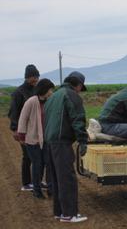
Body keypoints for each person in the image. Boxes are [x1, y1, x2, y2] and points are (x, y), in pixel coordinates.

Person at [44, 71, 88, 223]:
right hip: (62, 142)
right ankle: (70, 214)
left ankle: (59, 212)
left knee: (56, 178)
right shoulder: (71, 95)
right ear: (79, 85)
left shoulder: (53, 96)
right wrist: (83, 140)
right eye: (80, 88)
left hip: (49, 142)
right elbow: (78, 119)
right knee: (67, 178)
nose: (79, 92)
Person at [17, 78, 55, 199]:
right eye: (50, 89)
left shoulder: (49, 101)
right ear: (45, 89)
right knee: (37, 164)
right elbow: (23, 118)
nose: (51, 92)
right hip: (32, 140)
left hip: (46, 139)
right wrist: (21, 135)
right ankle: (37, 190)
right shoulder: (31, 101)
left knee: (48, 163)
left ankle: (51, 189)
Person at [8, 64, 40, 191]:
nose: (35, 79)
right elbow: (13, 112)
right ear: (27, 77)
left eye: (37, 76)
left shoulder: (36, 90)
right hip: (23, 130)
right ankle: (26, 183)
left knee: (37, 155)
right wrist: (15, 129)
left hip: (35, 129)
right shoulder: (18, 92)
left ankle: (36, 181)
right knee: (27, 155)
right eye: (33, 77)